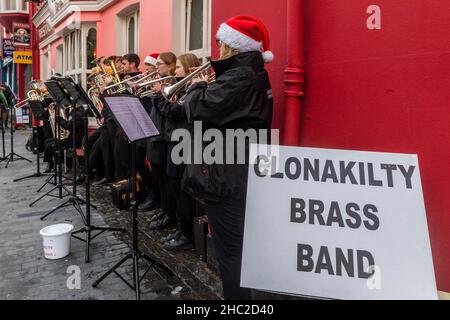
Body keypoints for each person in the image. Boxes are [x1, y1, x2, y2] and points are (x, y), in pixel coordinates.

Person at [182, 15, 274, 300]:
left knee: (231, 256)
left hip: (229, 176)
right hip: (237, 171)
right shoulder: (249, 74)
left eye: (221, 41)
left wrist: (196, 87)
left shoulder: (240, 77)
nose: (218, 45)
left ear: (234, 46)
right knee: (236, 254)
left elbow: (200, 110)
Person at [156, 53, 200, 250]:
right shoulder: (182, 88)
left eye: (180, 67)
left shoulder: (192, 89)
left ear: (189, 68)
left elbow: (176, 112)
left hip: (184, 143)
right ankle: (181, 229)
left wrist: (160, 98)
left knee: (182, 191)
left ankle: (187, 235)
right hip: (174, 140)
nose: (176, 71)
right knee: (174, 186)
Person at [145, 52, 177, 229]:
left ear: (170, 65)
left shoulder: (173, 84)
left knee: (166, 181)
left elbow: (168, 110)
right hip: (156, 133)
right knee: (159, 178)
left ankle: (169, 214)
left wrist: (158, 94)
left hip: (164, 136)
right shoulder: (162, 81)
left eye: (159, 64)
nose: (157, 68)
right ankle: (164, 210)